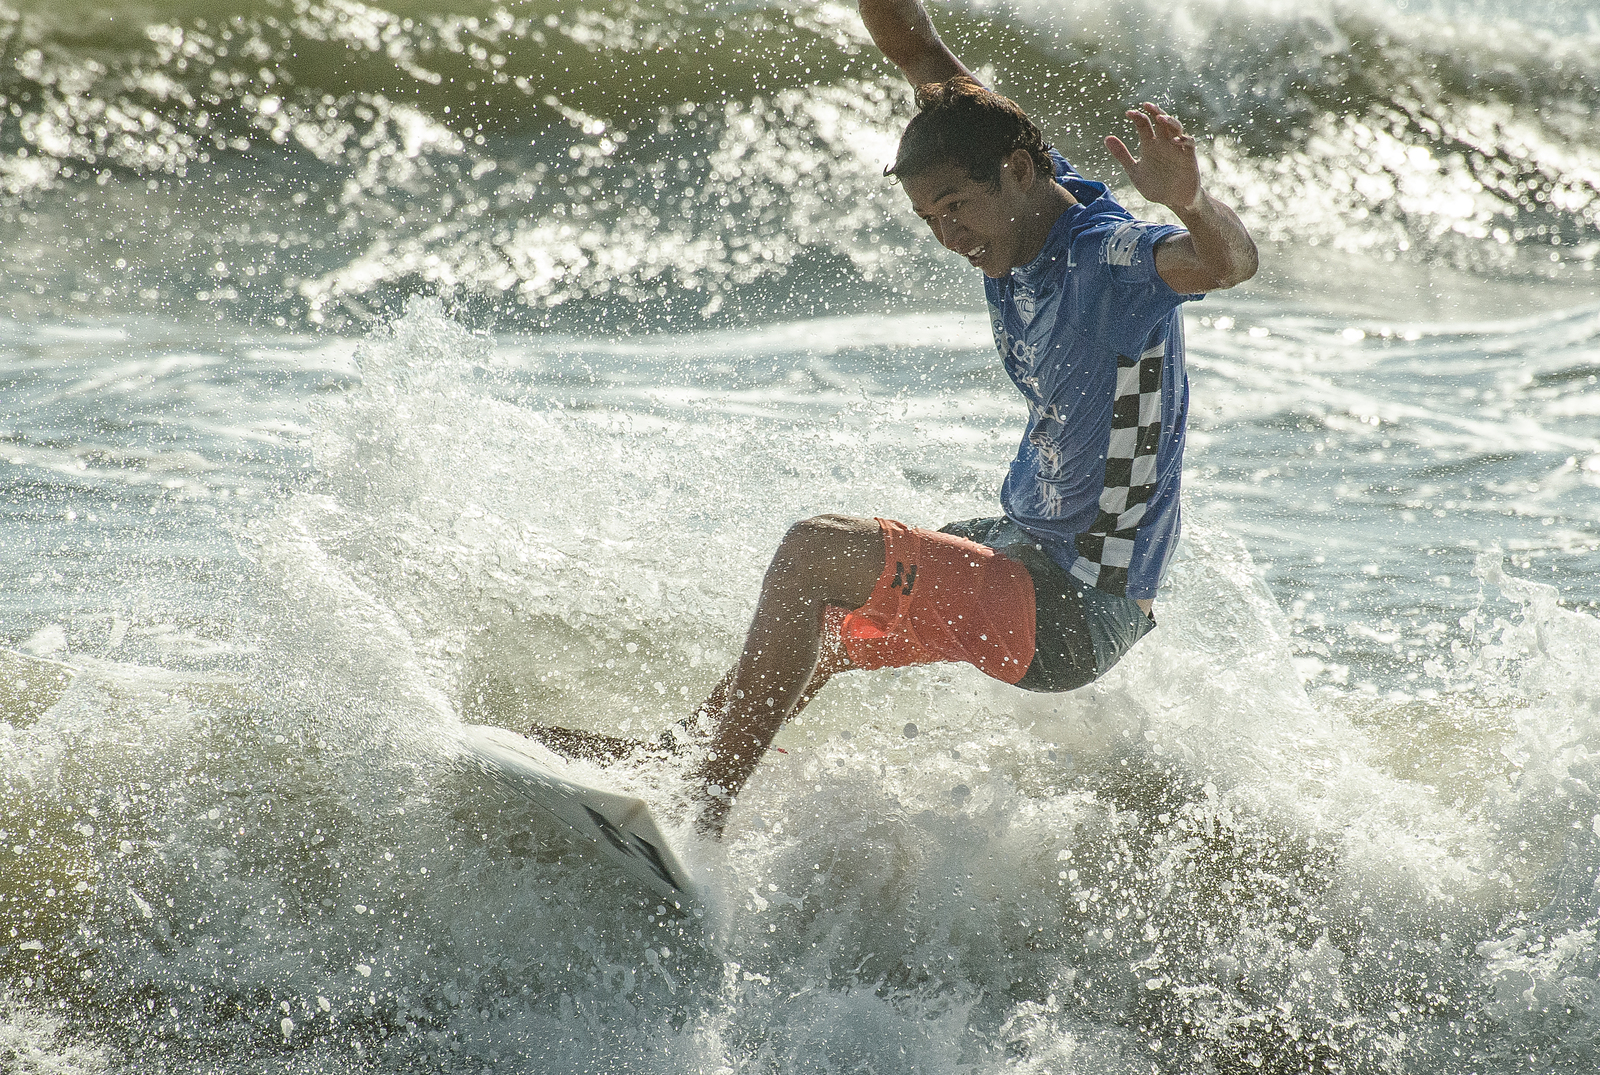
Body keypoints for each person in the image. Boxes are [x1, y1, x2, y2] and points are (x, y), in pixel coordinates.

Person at [533, 0, 1258, 839]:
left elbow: (1227, 263)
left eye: (956, 210)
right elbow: (917, 48)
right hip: (1030, 547)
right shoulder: (999, 159)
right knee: (828, 623)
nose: (949, 236)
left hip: (1075, 602)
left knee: (814, 550)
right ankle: (675, 758)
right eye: (929, 221)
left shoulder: (1111, 257)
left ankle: (700, 807)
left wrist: (1193, 200)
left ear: (1020, 175)